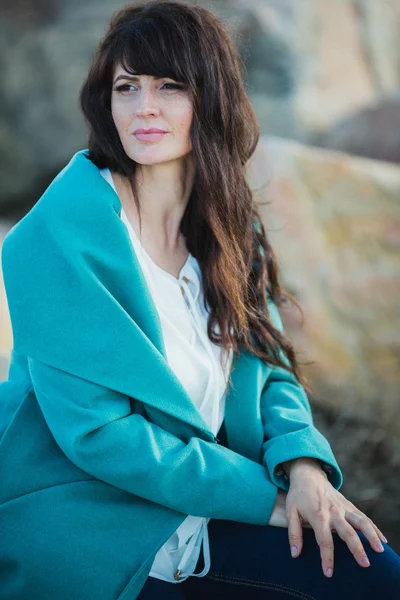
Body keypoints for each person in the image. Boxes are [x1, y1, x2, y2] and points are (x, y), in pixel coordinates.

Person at [0, 1, 399, 598]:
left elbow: (271, 368)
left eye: (169, 86)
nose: (144, 108)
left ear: (210, 97)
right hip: (106, 522)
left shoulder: (228, 225)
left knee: (377, 573)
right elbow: (102, 437)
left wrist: (304, 464)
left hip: (217, 497)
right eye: (126, 87)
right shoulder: (54, 238)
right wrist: (272, 498)